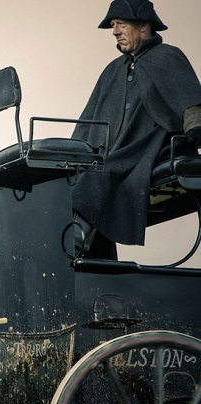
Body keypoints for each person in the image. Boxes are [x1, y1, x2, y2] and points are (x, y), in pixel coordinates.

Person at [71, 0, 201, 256]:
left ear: (144, 26)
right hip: (110, 152)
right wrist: (70, 154)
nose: (115, 31)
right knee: (75, 180)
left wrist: (195, 129)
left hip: (149, 148)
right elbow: (87, 123)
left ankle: (75, 239)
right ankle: (94, 257)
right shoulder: (111, 71)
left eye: (120, 23)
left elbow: (191, 105)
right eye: (112, 25)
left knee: (99, 178)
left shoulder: (168, 57)